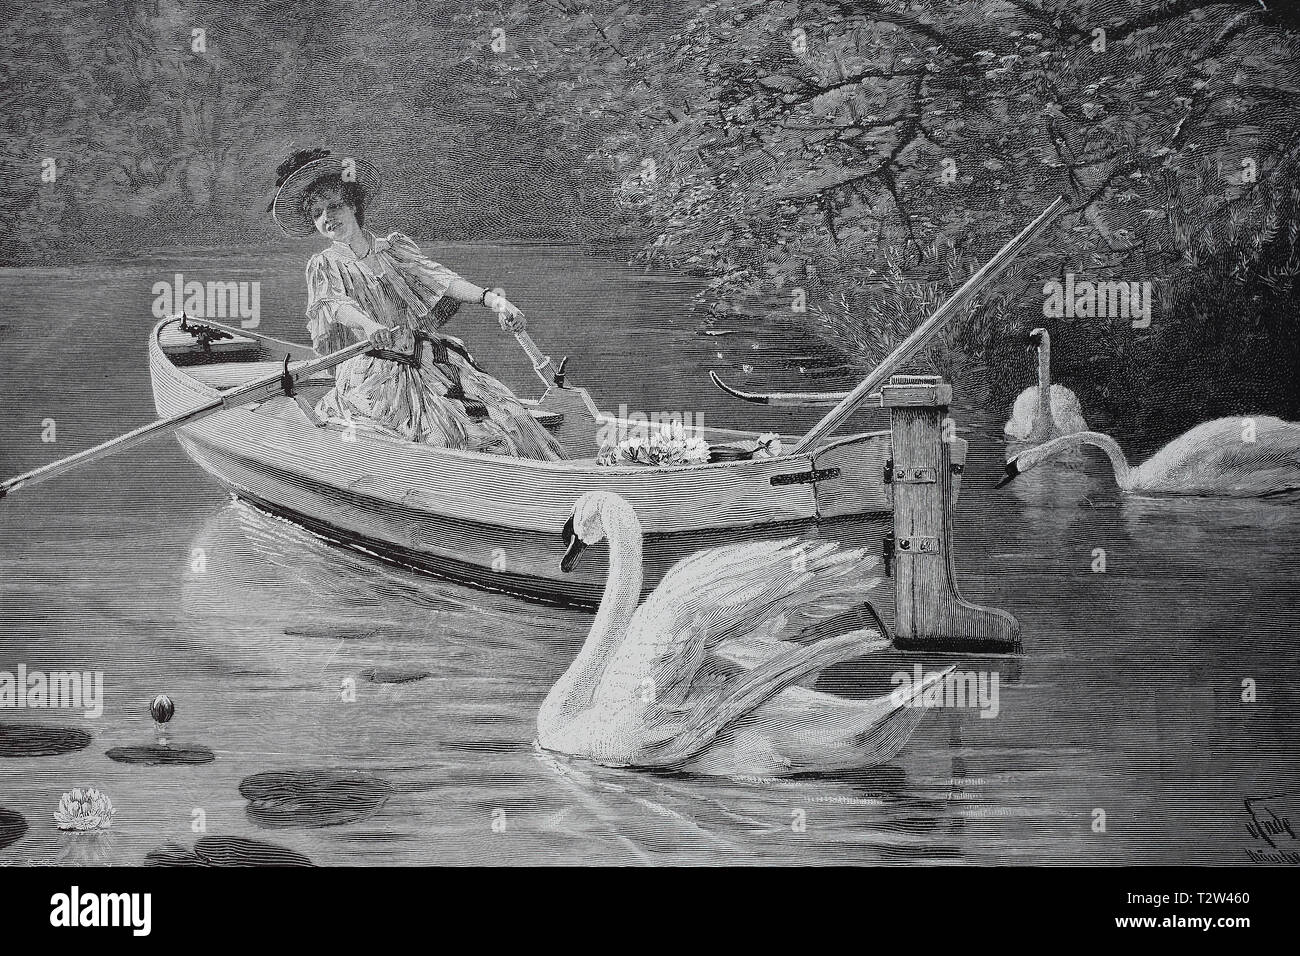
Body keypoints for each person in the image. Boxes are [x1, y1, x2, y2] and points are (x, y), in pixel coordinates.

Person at [267, 149, 565, 461]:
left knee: (510, 413)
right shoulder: (323, 264)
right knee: (443, 436)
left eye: (334, 206)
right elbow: (333, 305)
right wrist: (370, 327)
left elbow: (440, 278)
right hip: (373, 368)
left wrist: (494, 300)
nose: (327, 217)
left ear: (353, 205)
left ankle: (546, 481)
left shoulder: (393, 249)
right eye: (317, 213)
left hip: (428, 357)